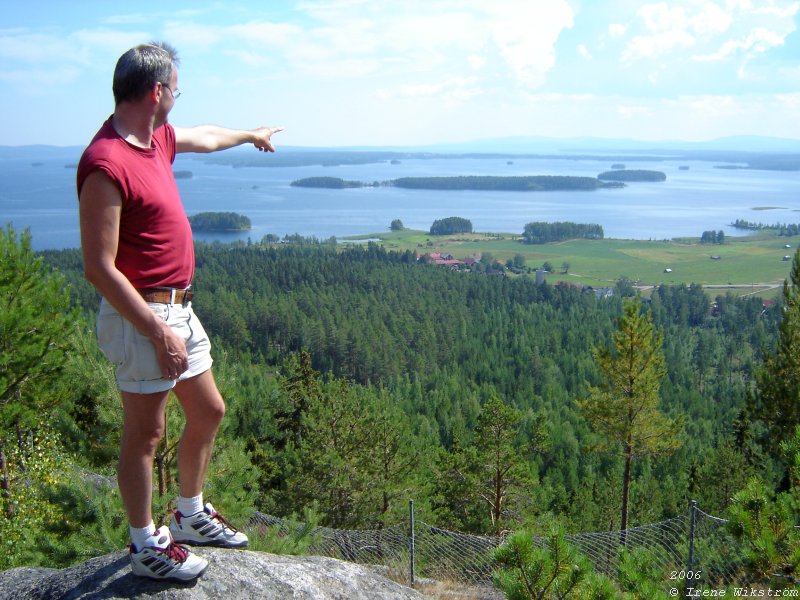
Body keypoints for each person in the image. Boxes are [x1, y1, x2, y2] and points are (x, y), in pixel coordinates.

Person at [76, 41, 282, 582]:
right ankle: (145, 542)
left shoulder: (155, 140)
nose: (178, 100)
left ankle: (189, 514)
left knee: (209, 409)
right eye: (176, 88)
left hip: (177, 309)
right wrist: (155, 330)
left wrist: (249, 134)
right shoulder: (106, 162)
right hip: (140, 315)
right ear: (158, 91)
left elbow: (208, 136)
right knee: (146, 433)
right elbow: (99, 267)